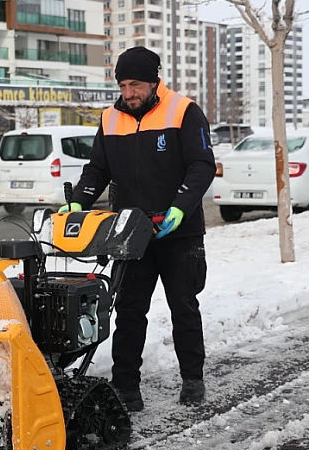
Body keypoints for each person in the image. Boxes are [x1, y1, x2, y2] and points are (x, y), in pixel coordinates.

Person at [60, 46, 216, 411]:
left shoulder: (184, 112)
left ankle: (193, 379)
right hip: (131, 233)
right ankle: (126, 387)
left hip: (179, 232)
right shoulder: (111, 118)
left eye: (135, 85)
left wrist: (181, 207)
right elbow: (98, 168)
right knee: (129, 311)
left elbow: (202, 165)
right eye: (122, 85)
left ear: (153, 81)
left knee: (184, 307)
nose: (128, 93)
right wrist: (79, 201)